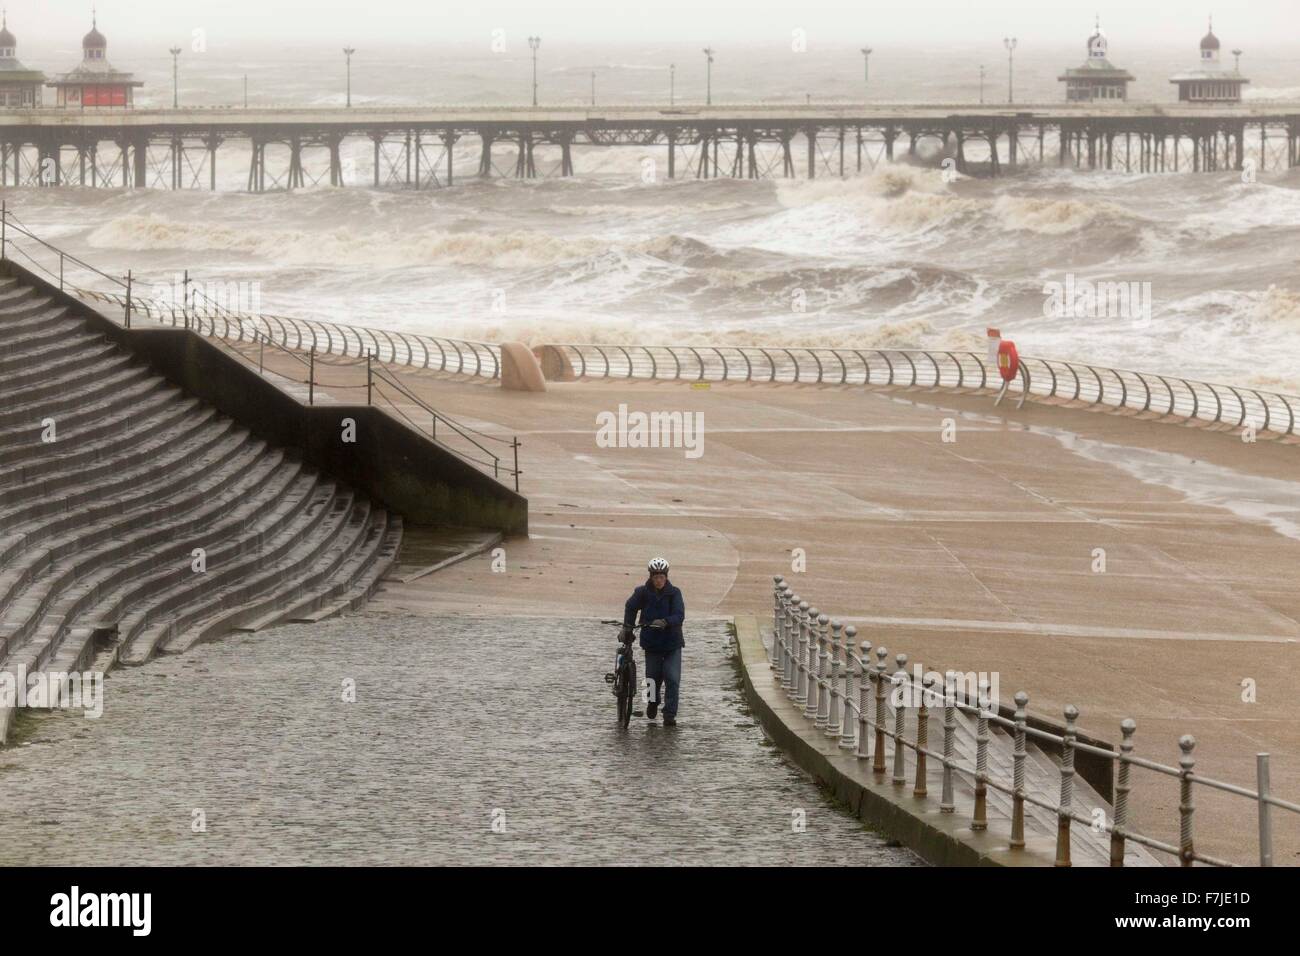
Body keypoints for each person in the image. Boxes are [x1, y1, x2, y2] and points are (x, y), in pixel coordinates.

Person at [621, 557, 685, 726]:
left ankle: (670, 714)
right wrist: (628, 626)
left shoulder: (675, 593)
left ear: (666, 577)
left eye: (661, 577)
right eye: (655, 577)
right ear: (650, 577)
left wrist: (665, 621)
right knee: (651, 677)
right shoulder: (642, 592)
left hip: (672, 643)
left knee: (672, 678)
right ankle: (651, 702)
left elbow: (680, 615)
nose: (658, 580)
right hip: (652, 643)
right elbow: (631, 607)